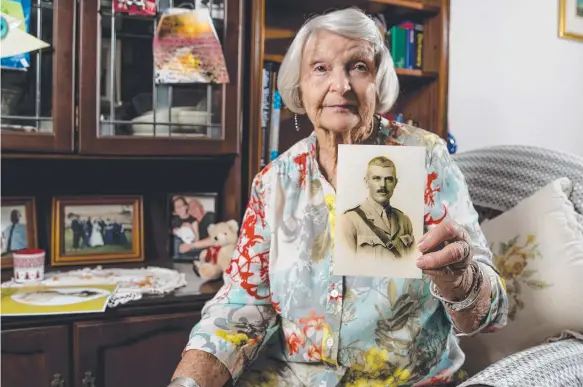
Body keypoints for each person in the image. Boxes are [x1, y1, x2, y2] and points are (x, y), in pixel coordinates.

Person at [169, 8, 508, 387]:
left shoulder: (425, 159)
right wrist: (189, 381)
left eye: (358, 67)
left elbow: (492, 314)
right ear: (301, 86)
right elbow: (240, 303)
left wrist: (461, 281)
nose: (341, 85)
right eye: (320, 68)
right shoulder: (274, 182)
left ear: (378, 82)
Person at [339, 155, 415, 260]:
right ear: (366, 182)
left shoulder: (404, 221)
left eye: (388, 179)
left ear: (395, 183)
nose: (383, 185)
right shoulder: (350, 220)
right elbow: (347, 265)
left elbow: (411, 263)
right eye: (376, 178)